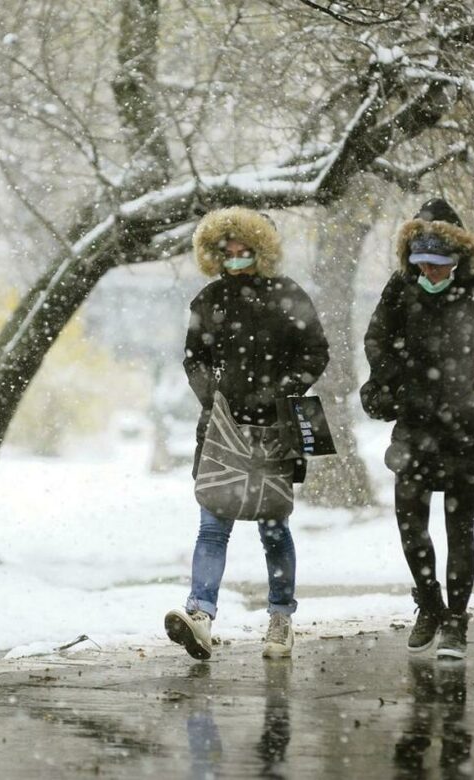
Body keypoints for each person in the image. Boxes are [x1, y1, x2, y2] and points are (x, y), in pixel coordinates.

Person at [361, 198, 474, 659]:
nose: (433, 274)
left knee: (460, 528)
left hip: (470, 428)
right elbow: (376, 338)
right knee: (409, 523)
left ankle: (456, 624)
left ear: (460, 258)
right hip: (416, 425)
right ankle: (430, 603)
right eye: (423, 264)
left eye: (442, 265)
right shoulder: (401, 287)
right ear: (411, 258)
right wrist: (393, 383)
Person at [165, 206, 330, 661]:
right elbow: (193, 358)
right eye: (228, 252)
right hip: (222, 428)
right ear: (215, 255)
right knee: (212, 523)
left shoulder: (289, 296)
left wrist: (285, 389)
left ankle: (280, 618)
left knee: (273, 526)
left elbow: (316, 351)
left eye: (244, 251)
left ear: (262, 252)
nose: (236, 259)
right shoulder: (208, 301)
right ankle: (199, 613)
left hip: (276, 428)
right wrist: (213, 396)